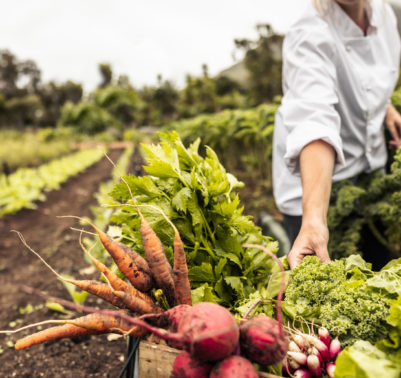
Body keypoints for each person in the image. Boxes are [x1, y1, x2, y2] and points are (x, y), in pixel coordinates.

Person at [272, 0, 401, 269]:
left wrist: (385, 107)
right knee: (329, 293)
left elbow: (365, 78)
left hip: (368, 172)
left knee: (380, 267)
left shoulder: (386, 13)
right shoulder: (309, 33)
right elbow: (314, 120)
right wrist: (314, 220)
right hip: (313, 190)